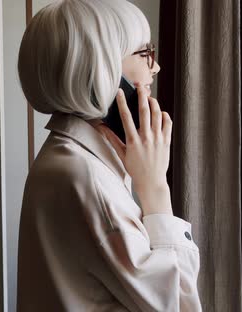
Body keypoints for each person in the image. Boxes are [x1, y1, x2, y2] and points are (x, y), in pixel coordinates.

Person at [15, 0, 202, 311]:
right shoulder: (84, 176)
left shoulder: (68, 157)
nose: (155, 67)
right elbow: (179, 306)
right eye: (145, 54)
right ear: (103, 70)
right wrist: (155, 187)